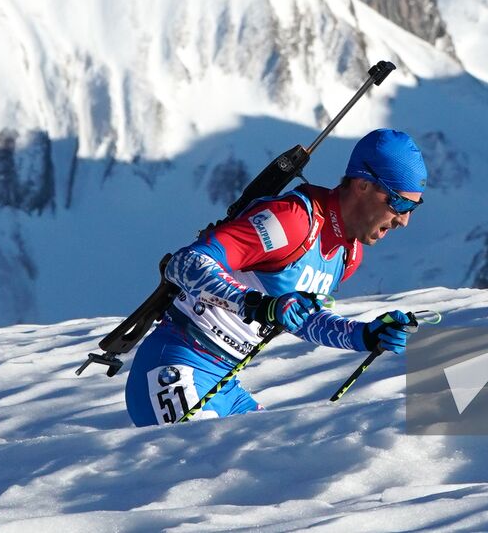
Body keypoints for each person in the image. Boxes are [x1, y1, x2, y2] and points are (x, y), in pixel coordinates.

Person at [125, 128, 426, 426]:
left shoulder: (348, 255)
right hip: (174, 365)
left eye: (414, 207)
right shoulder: (292, 221)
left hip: (226, 385)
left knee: (280, 468)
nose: (404, 220)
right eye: (399, 203)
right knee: (214, 473)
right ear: (363, 184)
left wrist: (365, 335)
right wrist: (258, 304)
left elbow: (301, 319)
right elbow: (185, 263)